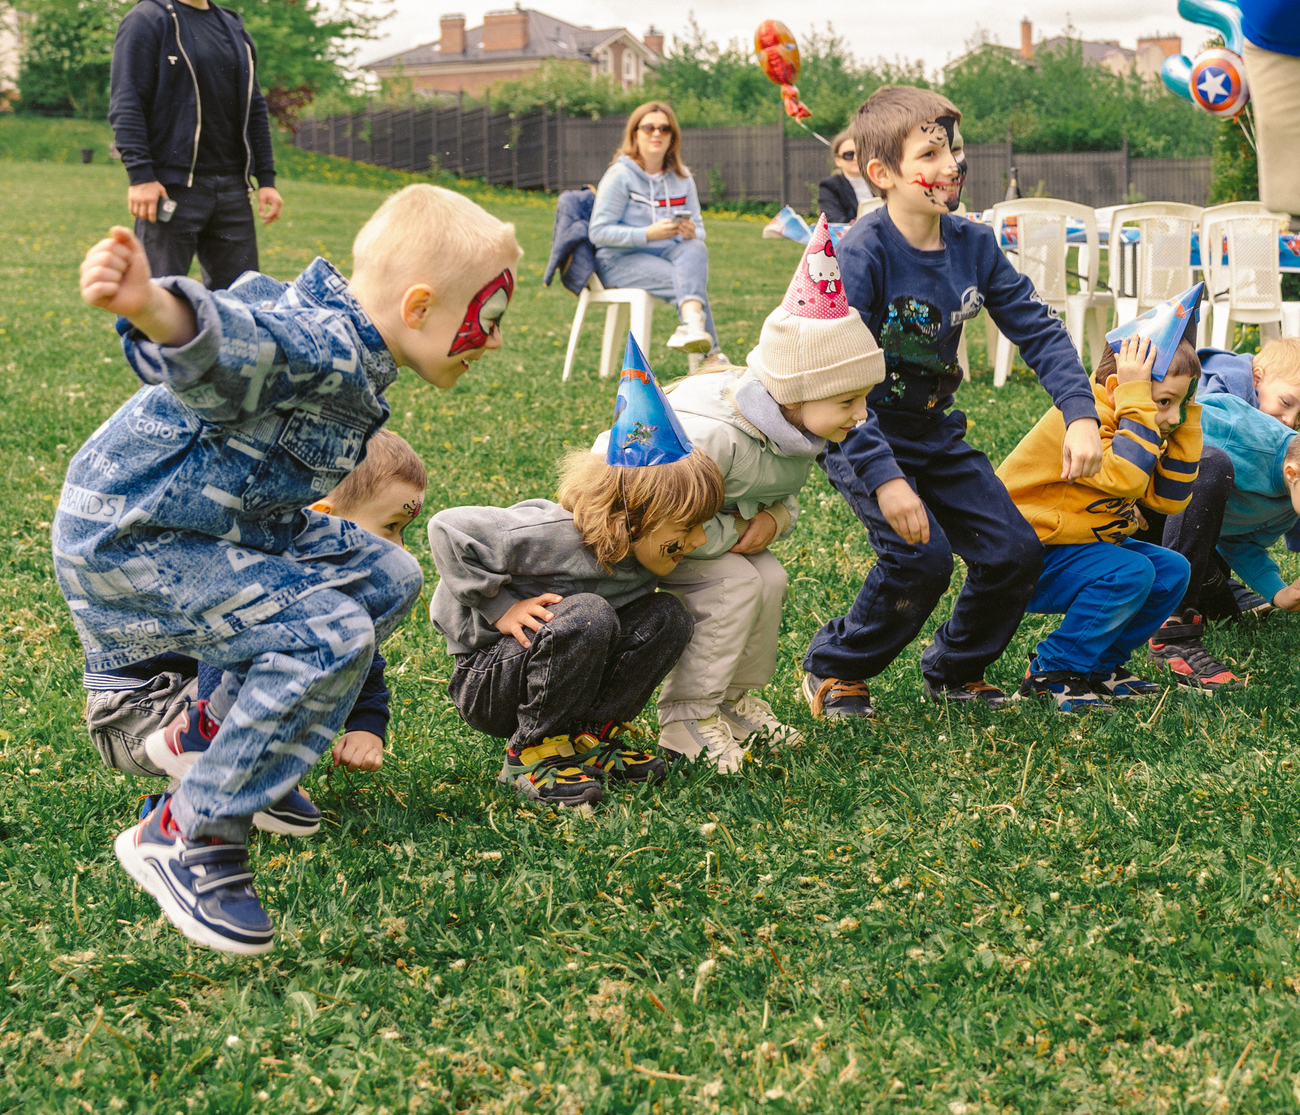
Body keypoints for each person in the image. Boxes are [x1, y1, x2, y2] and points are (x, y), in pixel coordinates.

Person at [60, 183, 520, 956]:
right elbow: (227, 340)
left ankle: (217, 733)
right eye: (489, 318)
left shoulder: (351, 345)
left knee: (385, 575)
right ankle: (187, 834)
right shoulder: (321, 346)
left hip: (221, 528)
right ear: (418, 306)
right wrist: (152, 304)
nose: (494, 339)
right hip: (139, 538)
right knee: (327, 633)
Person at [797, 84, 1104, 720]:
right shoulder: (863, 254)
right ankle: (836, 667)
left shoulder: (974, 244)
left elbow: (1038, 329)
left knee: (1014, 553)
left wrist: (1080, 413)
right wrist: (885, 479)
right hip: (862, 428)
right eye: (931, 154)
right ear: (882, 173)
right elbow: (833, 379)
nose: (951, 166)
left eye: (954, 150)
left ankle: (956, 668)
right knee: (921, 558)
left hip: (935, 432)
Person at [427, 337, 721, 808]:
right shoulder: (551, 535)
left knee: (668, 614)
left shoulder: (643, 553)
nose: (700, 539)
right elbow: (448, 527)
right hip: (489, 677)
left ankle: (590, 739)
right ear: (630, 520)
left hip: (565, 671)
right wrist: (501, 608)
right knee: (588, 613)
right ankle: (532, 752)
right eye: (687, 527)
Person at [81, 429, 425, 805]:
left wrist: (367, 723)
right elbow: (223, 662)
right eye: (390, 527)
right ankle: (189, 805)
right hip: (135, 713)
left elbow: (355, 648)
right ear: (323, 516)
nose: (399, 548)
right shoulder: (252, 564)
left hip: (180, 701)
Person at [653, 228, 885, 770]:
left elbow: (780, 495)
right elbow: (654, 520)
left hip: (713, 536)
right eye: (848, 399)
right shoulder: (711, 435)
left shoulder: (796, 429)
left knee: (770, 577)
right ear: (795, 392)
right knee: (735, 584)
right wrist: (735, 533)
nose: (862, 414)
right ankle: (687, 716)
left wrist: (778, 518)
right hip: (642, 543)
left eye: (864, 398)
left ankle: (732, 703)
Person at [997, 294, 1227, 712]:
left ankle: (1098, 666)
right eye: (1165, 402)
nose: (1172, 416)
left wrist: (1186, 416)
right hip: (1024, 556)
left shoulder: (1143, 418)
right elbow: (1125, 476)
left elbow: (1170, 499)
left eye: (1183, 400)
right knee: (1131, 571)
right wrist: (1140, 401)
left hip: (1079, 548)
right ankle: (1052, 671)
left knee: (1172, 570)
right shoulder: (1085, 420)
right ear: (1124, 390)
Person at [1144, 400, 1300, 671]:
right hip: (1134, 508)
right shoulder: (1243, 439)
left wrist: (1279, 593)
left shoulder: (1293, 499)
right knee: (1215, 466)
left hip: (1178, 542)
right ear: (1293, 473)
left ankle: (1211, 594)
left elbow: (1242, 543)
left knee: (1225, 612)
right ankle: (1174, 627)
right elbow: (1175, 415)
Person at [109, 0, 282, 289]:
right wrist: (140, 176)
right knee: (158, 299)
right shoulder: (147, 20)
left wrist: (265, 179)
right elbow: (126, 103)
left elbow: (254, 107)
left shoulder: (233, 28)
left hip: (233, 190)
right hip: (172, 187)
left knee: (242, 304)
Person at [592, 100, 721, 362]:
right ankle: (712, 358)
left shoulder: (682, 177)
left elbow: (701, 230)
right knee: (688, 284)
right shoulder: (620, 175)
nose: (656, 134)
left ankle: (693, 328)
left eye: (665, 129)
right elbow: (598, 232)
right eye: (649, 127)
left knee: (695, 247)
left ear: (673, 137)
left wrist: (690, 231)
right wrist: (647, 234)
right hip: (617, 260)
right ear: (634, 133)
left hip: (666, 253)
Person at [815, 129, 880, 225]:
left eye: (860, 153)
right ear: (838, 161)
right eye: (849, 155)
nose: (856, 158)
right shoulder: (830, 186)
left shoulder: (879, 180)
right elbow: (834, 219)